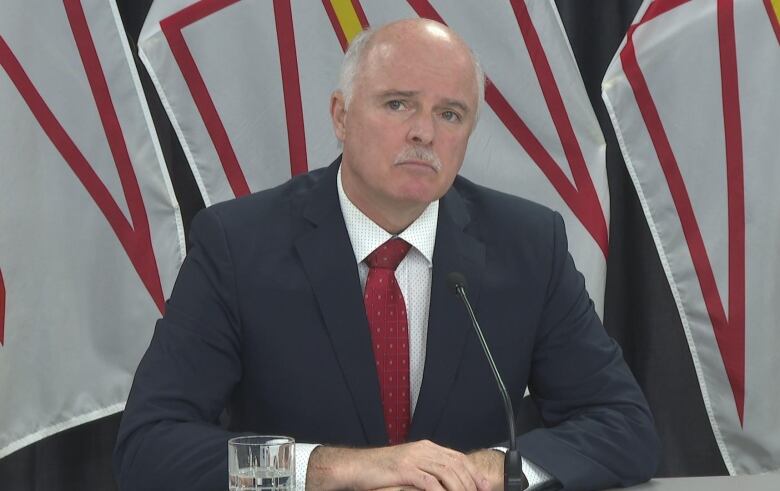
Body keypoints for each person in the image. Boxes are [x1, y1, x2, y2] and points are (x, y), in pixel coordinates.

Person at [114, 18, 659, 490]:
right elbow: (150, 446)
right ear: (341, 116)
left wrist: (491, 471)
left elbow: (623, 426)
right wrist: (332, 471)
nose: (423, 132)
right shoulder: (238, 244)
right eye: (398, 104)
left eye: (450, 114)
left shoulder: (528, 244)